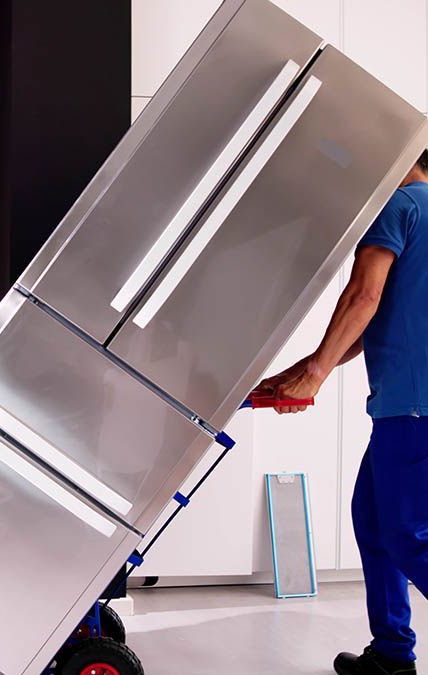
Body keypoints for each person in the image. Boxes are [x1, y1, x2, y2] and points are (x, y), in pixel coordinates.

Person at [257, 151, 428, 675]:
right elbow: (375, 316)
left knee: (405, 535)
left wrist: (315, 375)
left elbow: (363, 296)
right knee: (374, 523)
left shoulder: (399, 204)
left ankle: (395, 649)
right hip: (407, 407)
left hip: (413, 408)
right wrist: (308, 366)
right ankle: (394, 653)